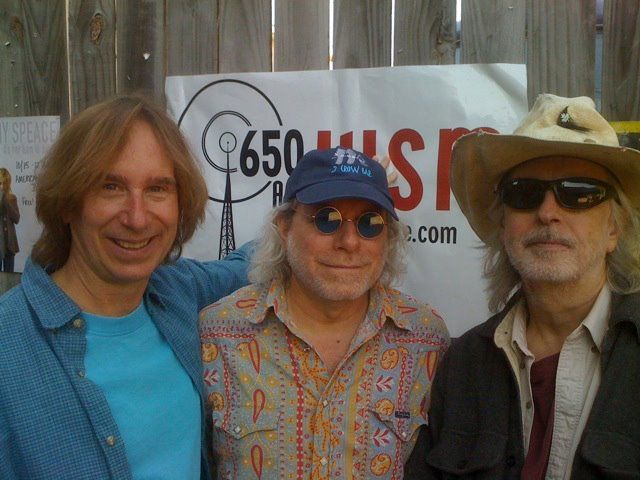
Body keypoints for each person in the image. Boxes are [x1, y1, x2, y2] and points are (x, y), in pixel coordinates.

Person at [0, 95, 251, 479]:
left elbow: (244, 265)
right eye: (111, 186)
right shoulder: (10, 345)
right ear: (67, 204)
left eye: (157, 189)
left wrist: (308, 219)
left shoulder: (176, 291)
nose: (137, 218)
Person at [409, 94, 640, 478]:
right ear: (502, 225)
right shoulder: (464, 364)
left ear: (614, 228)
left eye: (579, 192)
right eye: (523, 193)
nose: (547, 213)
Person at [199, 147, 450, 479]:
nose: (349, 242)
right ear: (284, 226)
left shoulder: (425, 338)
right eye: (326, 220)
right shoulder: (219, 334)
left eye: (369, 223)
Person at [0, 167, 20, 272]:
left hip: (9, 243)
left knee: (9, 275)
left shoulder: (12, 198)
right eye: (0, 183)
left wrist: (5, 200)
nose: (2, 186)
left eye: (5, 183)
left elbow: (17, 219)